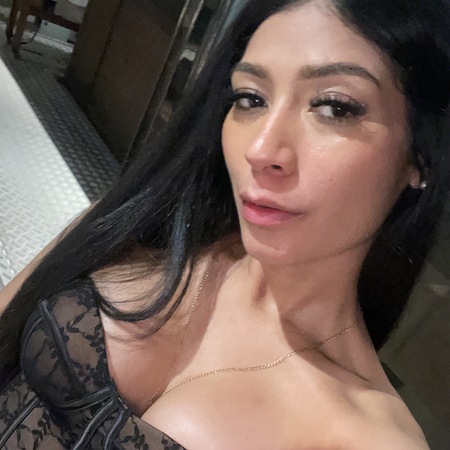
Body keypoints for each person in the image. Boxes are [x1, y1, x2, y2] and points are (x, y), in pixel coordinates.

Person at [0, 0, 449, 448]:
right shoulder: (147, 224)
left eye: (334, 107)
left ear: (422, 156)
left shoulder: (372, 437)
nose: (261, 148)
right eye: (250, 99)